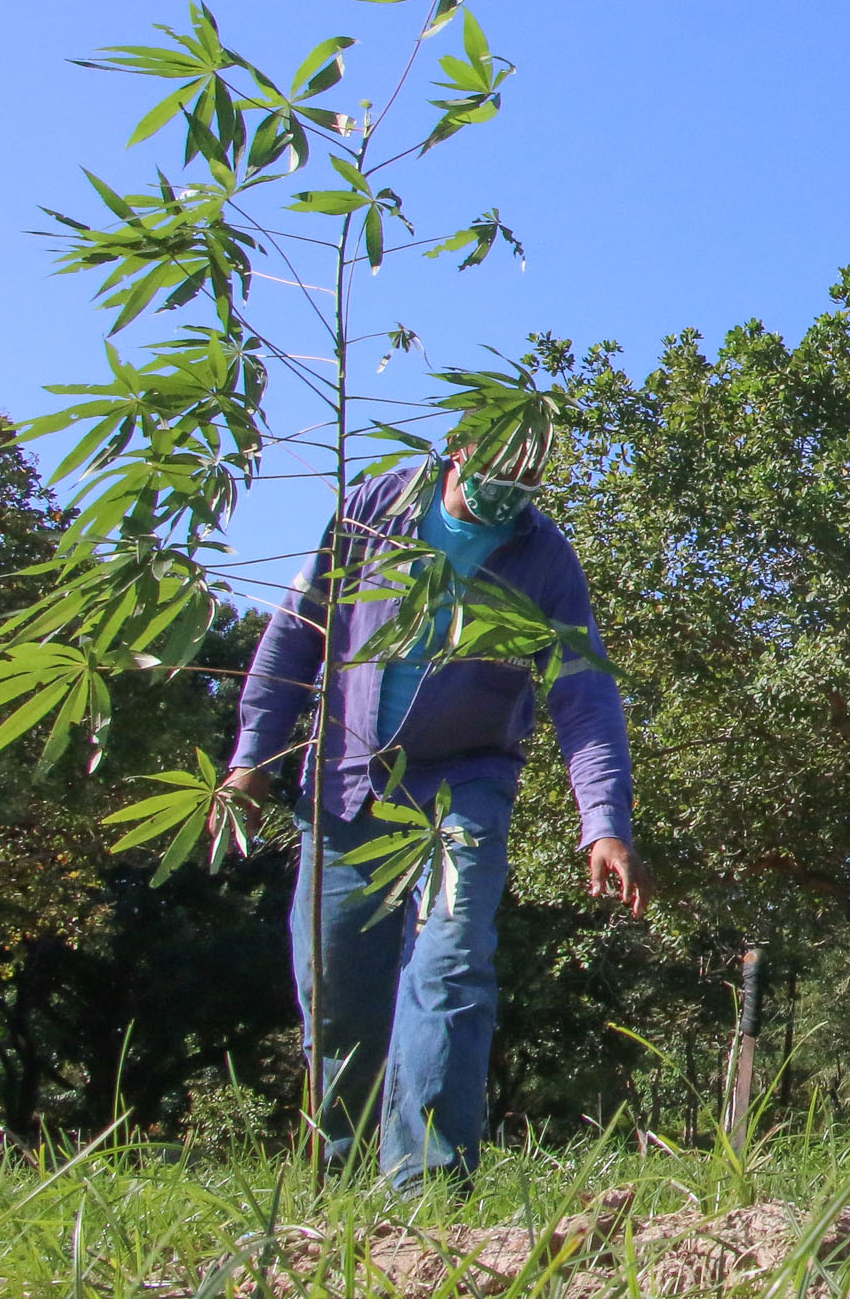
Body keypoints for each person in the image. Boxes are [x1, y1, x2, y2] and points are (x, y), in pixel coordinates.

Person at [223, 424, 648, 1189]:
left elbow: (583, 691)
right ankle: (341, 1178)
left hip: (465, 783)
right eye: (501, 471)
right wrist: (253, 753)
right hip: (348, 779)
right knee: (334, 994)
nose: (511, 492)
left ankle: (427, 1186)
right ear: (459, 448)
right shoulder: (375, 510)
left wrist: (604, 820)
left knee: (452, 969)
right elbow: (297, 632)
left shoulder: (542, 556)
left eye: (529, 480)